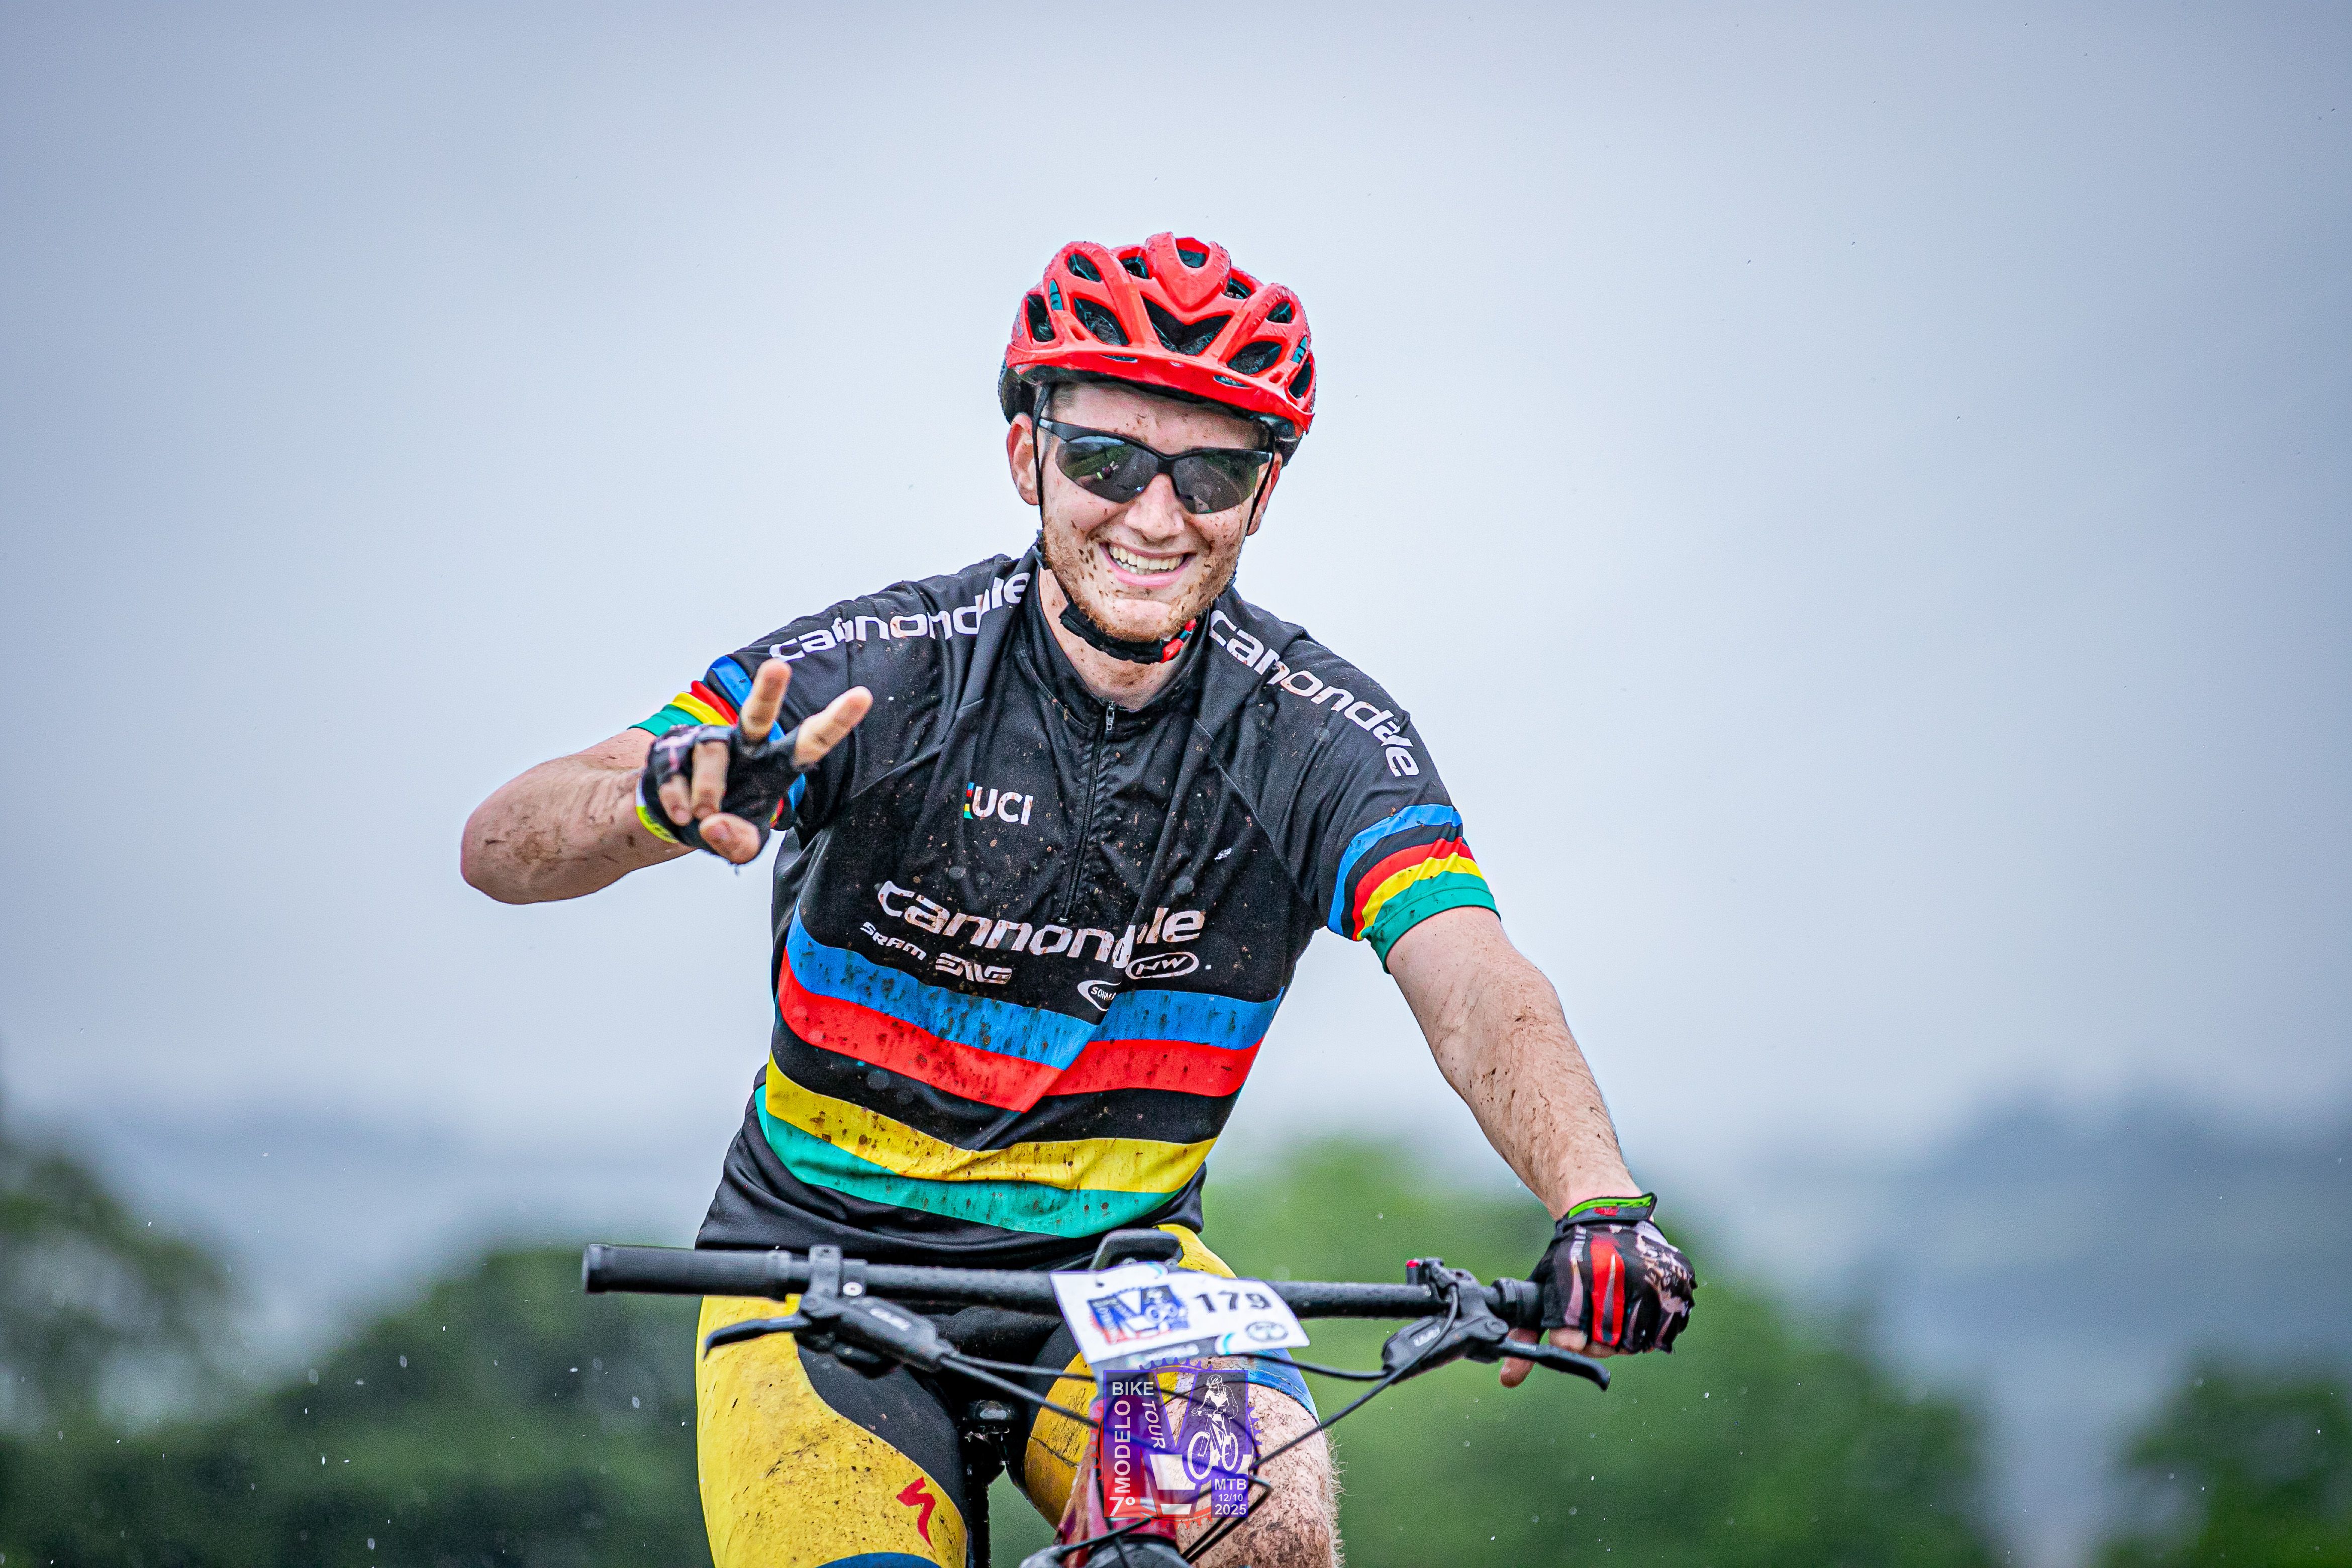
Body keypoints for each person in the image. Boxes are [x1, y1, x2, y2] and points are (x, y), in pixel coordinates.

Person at [462, 232, 1694, 1568]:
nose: (1155, 518)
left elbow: (1473, 980)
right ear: (1026, 459)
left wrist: (1595, 1201)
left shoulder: (1316, 735)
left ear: (1263, 496)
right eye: (1107, 462)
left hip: (1124, 1285)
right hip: (817, 1274)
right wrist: (653, 799)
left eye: (1210, 474)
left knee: (1261, 1537)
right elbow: (498, 844)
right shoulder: (890, 672)